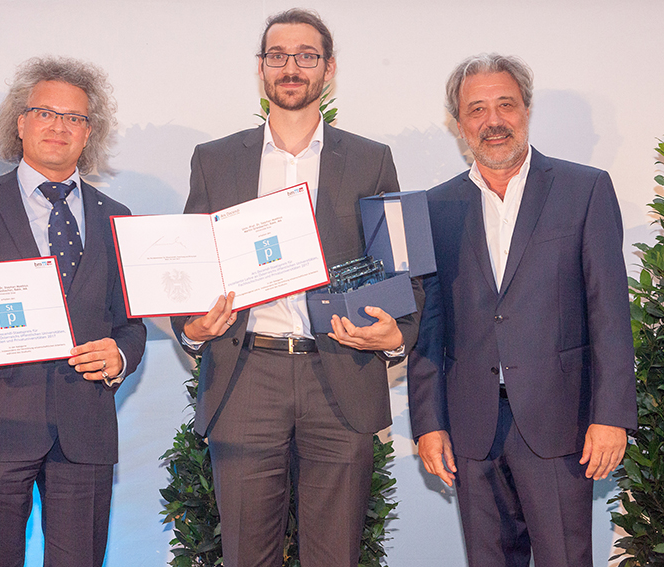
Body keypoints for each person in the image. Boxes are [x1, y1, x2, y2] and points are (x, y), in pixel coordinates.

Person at [170, 9, 423, 567]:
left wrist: (394, 335)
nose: (291, 67)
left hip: (339, 370)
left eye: (306, 56)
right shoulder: (214, 161)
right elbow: (191, 269)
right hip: (246, 376)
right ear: (260, 69)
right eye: (277, 56)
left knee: (334, 556)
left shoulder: (369, 159)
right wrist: (190, 328)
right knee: (245, 556)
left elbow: (400, 268)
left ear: (328, 69)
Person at [408, 53, 637, 566]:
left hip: (561, 425)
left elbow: (609, 313)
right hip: (472, 427)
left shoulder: (585, 189)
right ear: (459, 123)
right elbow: (430, 325)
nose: (493, 121)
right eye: (477, 109)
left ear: (526, 110)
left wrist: (611, 415)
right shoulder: (434, 207)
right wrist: (429, 423)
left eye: (505, 105)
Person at [0, 56, 146, 567]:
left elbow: (130, 324)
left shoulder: (117, 217)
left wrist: (119, 355)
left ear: (88, 133)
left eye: (74, 117)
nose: (59, 126)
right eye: (45, 112)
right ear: (21, 122)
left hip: (85, 432)